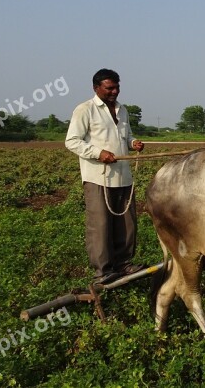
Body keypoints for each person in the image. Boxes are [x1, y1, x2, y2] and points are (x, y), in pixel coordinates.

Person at [65, 69, 145, 284]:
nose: (114, 91)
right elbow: (72, 141)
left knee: (127, 224)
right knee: (100, 225)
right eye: (109, 88)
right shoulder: (85, 110)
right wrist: (99, 154)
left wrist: (133, 142)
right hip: (98, 177)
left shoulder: (122, 110)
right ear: (96, 88)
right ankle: (103, 271)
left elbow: (125, 136)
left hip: (123, 176)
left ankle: (124, 264)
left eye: (117, 87)